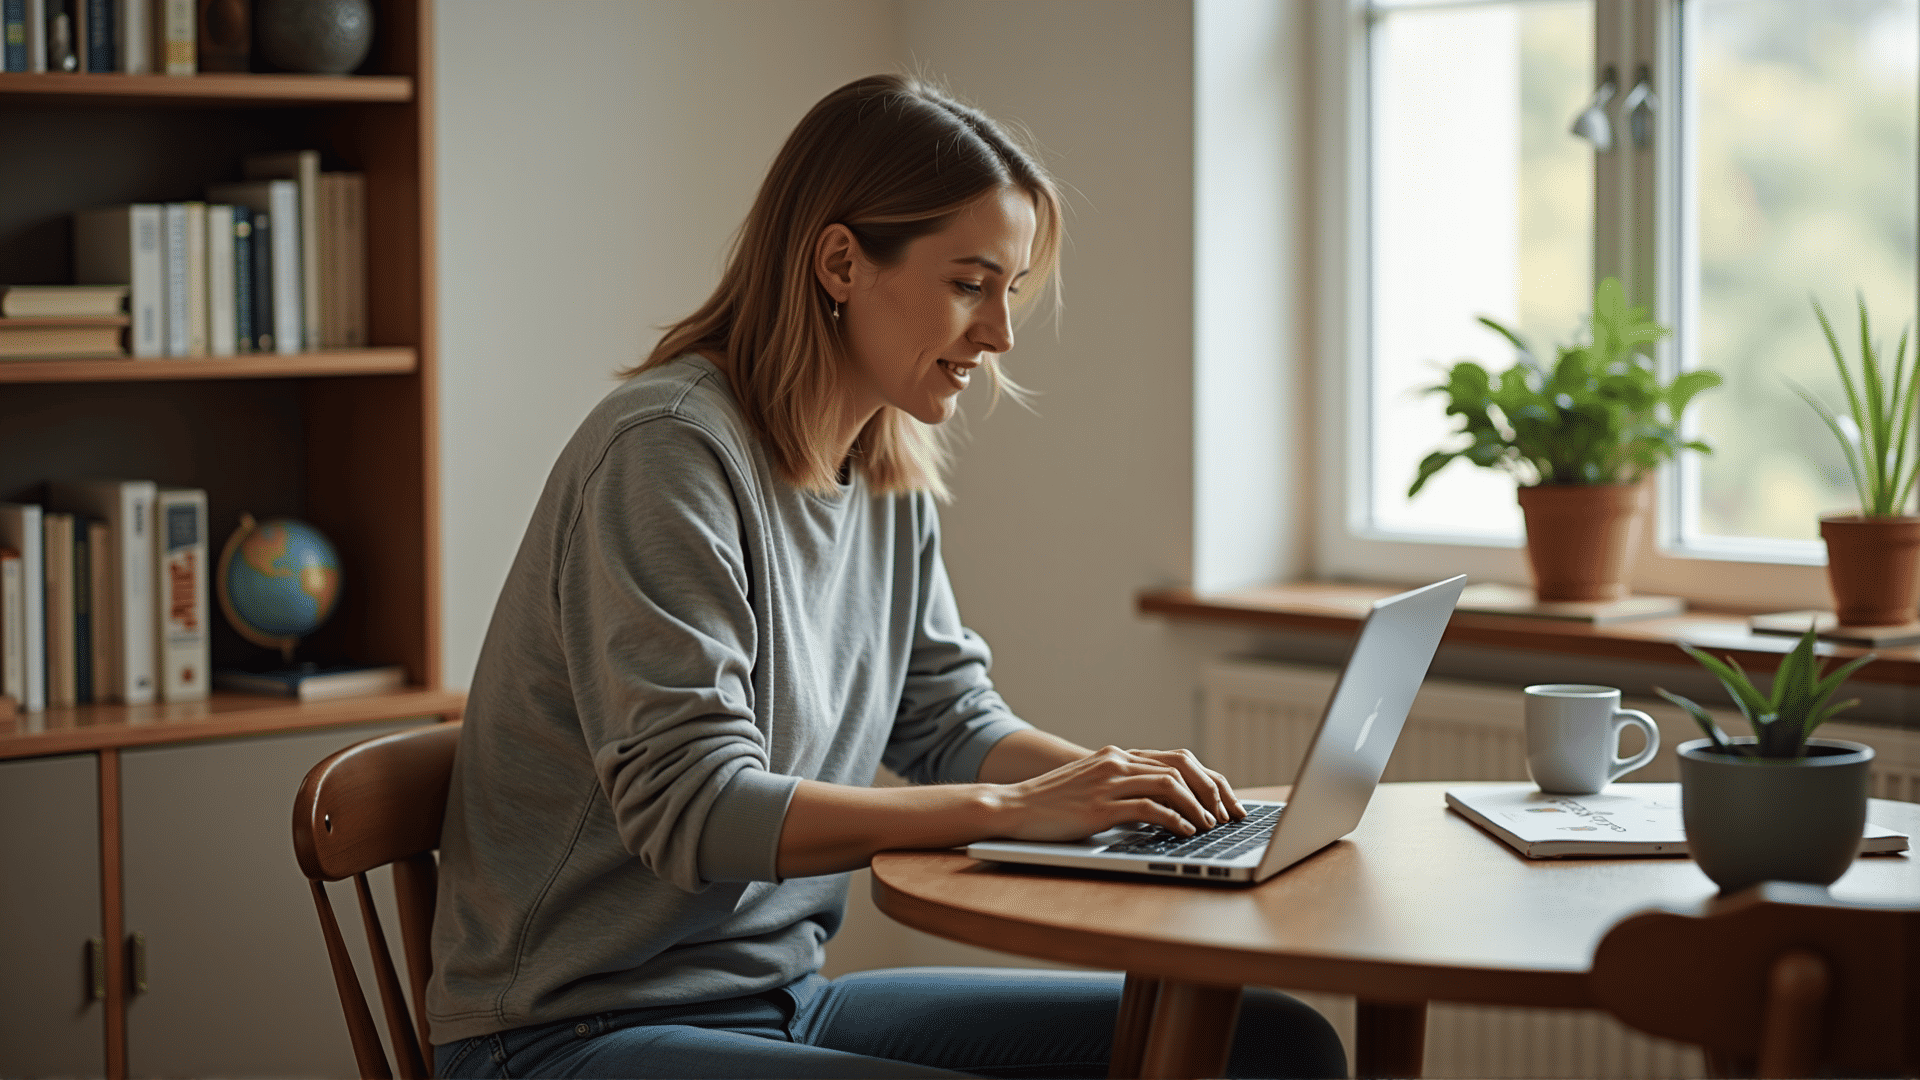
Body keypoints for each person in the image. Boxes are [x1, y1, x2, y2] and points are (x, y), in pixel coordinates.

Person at [426, 74, 1347, 1079]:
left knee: (1273, 1045)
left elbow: (946, 722)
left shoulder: (885, 465)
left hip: (782, 1001)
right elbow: (693, 807)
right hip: (569, 1031)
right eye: (970, 282)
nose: (999, 333)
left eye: (1011, 289)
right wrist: (1016, 811)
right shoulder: (666, 453)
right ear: (841, 263)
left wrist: (1117, 789)